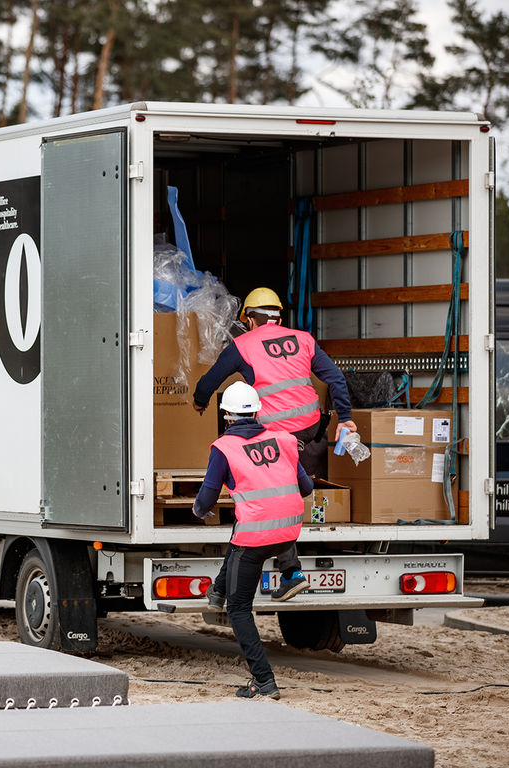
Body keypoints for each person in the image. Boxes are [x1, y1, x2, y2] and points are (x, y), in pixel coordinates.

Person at [192, 381, 314, 699]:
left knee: (239, 610)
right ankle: (220, 590)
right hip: (288, 533)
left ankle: (264, 681)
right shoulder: (284, 439)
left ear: (227, 417)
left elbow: (206, 498)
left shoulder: (224, 448)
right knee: (241, 527)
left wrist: (198, 510)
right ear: (258, 412)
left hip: (255, 537)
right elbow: (305, 488)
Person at [192, 286, 355, 478]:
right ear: (279, 320)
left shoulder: (241, 346)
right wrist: (344, 418)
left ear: (250, 321)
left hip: (271, 432)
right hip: (310, 428)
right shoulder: (304, 339)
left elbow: (207, 384)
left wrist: (200, 402)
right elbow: (336, 378)